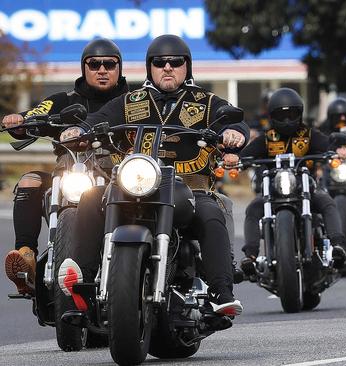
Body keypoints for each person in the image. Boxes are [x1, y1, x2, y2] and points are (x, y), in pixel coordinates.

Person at [56, 34, 247, 316]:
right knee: (91, 197)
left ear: (187, 66)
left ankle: (221, 291)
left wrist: (233, 134)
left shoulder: (206, 102)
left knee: (211, 211)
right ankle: (82, 280)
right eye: (159, 62)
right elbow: (97, 119)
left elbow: (236, 122)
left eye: (175, 62)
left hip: (189, 189)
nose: (167, 67)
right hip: (135, 185)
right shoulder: (130, 101)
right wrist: (79, 131)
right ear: (150, 67)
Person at [2, 38, 129, 295]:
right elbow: (36, 114)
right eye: (94, 64)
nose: (102, 70)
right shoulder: (64, 100)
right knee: (29, 181)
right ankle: (27, 258)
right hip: (69, 173)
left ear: (119, 68)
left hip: (118, 179)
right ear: (84, 68)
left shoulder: (132, 102)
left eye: (109, 64)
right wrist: (19, 121)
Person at [239, 88, 346, 273]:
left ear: (300, 114)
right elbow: (245, 155)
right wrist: (235, 160)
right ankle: (250, 256)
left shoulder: (309, 135)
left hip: (306, 190)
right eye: (282, 115)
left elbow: (328, 145)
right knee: (253, 208)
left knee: (328, 203)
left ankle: (337, 247)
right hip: (273, 193)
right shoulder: (266, 139)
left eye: (292, 114)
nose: (287, 120)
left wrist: (338, 150)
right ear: (272, 116)